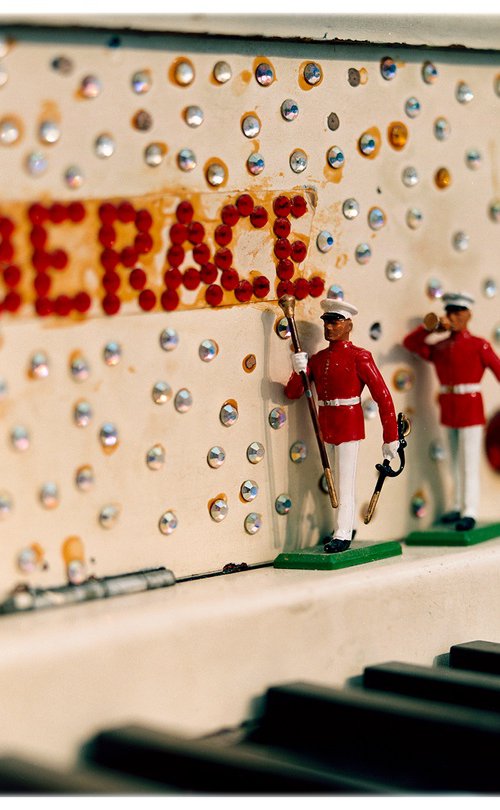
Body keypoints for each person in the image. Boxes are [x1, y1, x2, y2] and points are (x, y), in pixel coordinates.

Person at [285, 291, 399, 553]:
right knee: (335, 478)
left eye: (335, 322)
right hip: (327, 423)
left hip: (349, 423)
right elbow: (293, 392)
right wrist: (298, 368)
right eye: (326, 322)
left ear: (348, 325)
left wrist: (390, 436)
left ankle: (343, 533)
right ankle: (345, 525)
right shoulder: (318, 359)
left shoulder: (360, 356)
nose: (329, 327)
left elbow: (383, 396)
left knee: (344, 480)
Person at [403, 291, 500, 531]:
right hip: (449, 405)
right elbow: (411, 343)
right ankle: (457, 505)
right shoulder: (442, 346)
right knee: (454, 459)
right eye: (449, 312)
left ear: (468, 315)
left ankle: (470, 510)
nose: (452, 317)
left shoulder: (479, 344)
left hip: (470, 405)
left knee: (469, 461)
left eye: (458, 312)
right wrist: (430, 327)